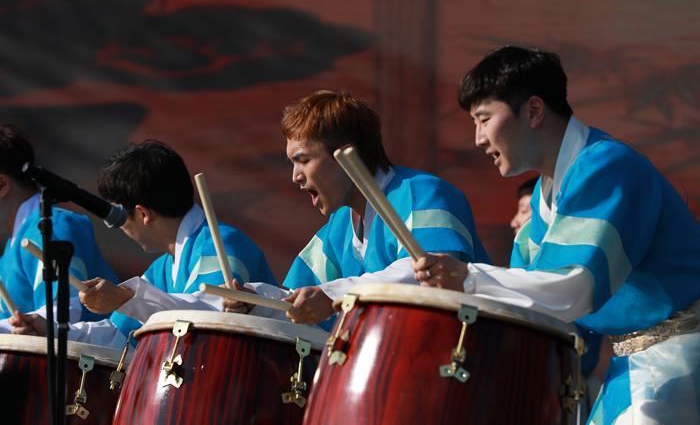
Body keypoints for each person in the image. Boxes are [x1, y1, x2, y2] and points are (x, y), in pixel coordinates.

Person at [410, 46, 700, 425]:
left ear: (533, 110)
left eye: (484, 119)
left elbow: (572, 287)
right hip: (638, 363)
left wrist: (468, 277)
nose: (479, 138)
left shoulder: (607, 166)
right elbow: (531, 311)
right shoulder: (541, 211)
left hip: (680, 360)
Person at [224, 90, 491, 328]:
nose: (296, 176)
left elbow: (429, 274)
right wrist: (260, 303)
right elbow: (302, 298)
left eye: (303, 160)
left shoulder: (424, 193)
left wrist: (334, 296)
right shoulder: (338, 227)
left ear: (346, 155)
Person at [11, 140, 277, 347]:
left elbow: (210, 315)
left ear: (143, 213)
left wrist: (127, 297)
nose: (119, 226)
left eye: (117, 216)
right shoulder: (160, 269)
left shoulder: (221, 244)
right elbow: (118, 335)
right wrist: (52, 332)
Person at [0, 124, 118, 333]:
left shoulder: (52, 229)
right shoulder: (13, 245)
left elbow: (64, 312)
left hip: (93, 362)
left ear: (2, 184)